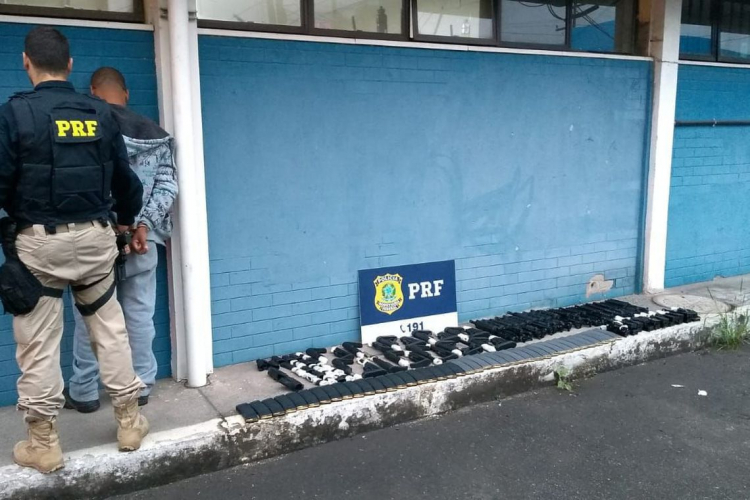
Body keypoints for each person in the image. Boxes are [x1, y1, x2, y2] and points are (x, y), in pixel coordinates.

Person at [0, 27, 149, 473]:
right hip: (96, 239)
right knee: (109, 330)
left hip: (39, 244)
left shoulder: (13, 114)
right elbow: (127, 183)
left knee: (39, 343)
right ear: (69, 64)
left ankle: (44, 444)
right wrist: (124, 222)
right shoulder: (100, 113)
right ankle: (129, 423)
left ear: (26, 62)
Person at [64, 67, 177, 412]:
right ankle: (141, 386)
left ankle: (84, 391)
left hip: (95, 238)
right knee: (139, 315)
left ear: (93, 91)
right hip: (143, 240)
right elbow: (168, 187)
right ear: (125, 94)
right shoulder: (157, 136)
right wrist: (142, 225)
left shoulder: (86, 132)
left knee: (89, 316)